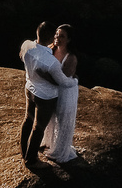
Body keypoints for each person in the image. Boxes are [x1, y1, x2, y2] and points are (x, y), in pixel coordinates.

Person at [19, 21, 77, 169]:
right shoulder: (51, 62)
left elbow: (21, 57)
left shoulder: (26, 45)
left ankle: (24, 151)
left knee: (27, 120)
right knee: (38, 127)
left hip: (29, 88)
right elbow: (63, 82)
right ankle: (31, 160)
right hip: (45, 97)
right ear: (52, 38)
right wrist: (74, 81)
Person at [42, 24, 78, 163]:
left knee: (63, 121)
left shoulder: (71, 58)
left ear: (69, 40)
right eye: (57, 34)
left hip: (66, 91)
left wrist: (43, 76)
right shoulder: (50, 49)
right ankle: (49, 143)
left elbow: (62, 79)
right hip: (51, 90)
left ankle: (60, 150)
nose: (57, 37)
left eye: (62, 36)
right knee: (50, 117)